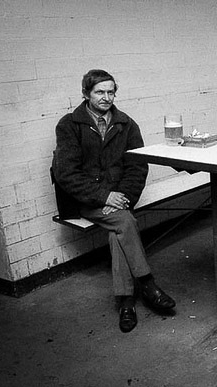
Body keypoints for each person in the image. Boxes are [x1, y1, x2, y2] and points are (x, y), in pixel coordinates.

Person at [52, 69, 176, 333]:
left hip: (120, 200)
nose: (106, 97)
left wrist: (123, 198)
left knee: (119, 231)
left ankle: (126, 302)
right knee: (125, 222)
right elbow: (66, 173)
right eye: (99, 92)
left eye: (110, 92)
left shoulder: (126, 124)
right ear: (86, 94)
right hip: (86, 200)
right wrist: (104, 196)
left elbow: (137, 166)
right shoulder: (69, 125)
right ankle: (147, 283)